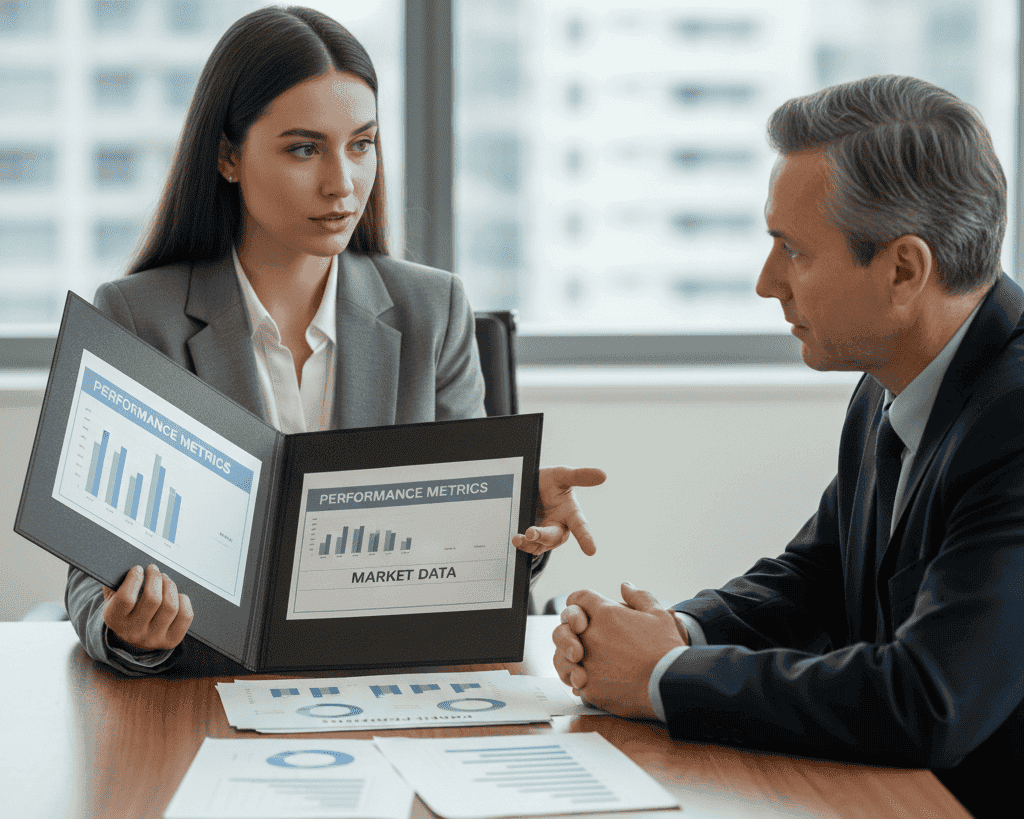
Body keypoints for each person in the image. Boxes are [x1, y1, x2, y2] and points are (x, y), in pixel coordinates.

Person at [65, 5, 604, 677]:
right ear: (228, 155)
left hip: (389, 690)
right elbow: (91, 578)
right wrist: (129, 630)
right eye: (303, 148)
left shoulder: (432, 311)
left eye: (362, 144)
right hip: (205, 695)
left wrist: (518, 525)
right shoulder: (138, 317)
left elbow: (466, 577)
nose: (341, 183)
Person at [552, 75, 1023, 819]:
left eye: (792, 250)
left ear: (903, 269)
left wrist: (664, 675)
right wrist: (678, 629)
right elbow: (820, 573)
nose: (767, 282)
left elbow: (926, 698)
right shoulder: (890, 378)